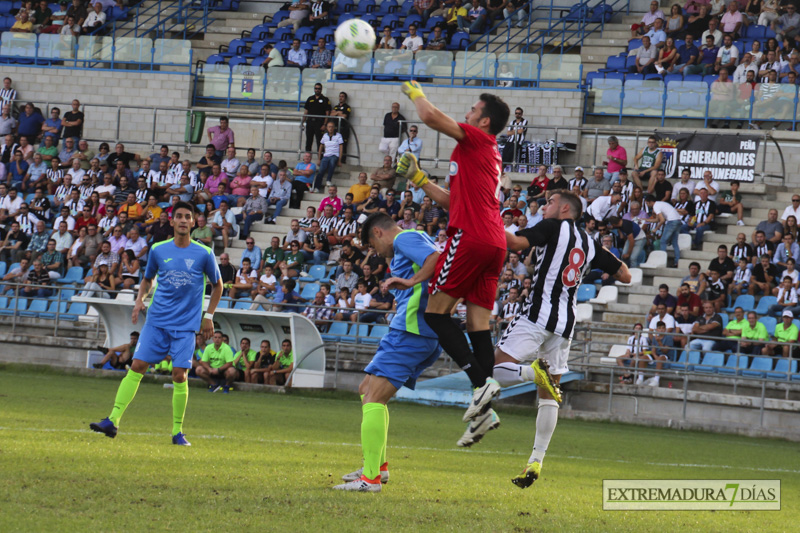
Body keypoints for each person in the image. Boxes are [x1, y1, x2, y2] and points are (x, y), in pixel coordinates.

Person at [491, 191, 630, 486]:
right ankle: (536, 461)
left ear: (565, 208)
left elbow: (514, 243)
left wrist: (484, 219)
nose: (544, 207)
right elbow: (626, 275)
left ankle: (532, 373)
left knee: (492, 370)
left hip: (537, 316)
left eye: (550, 203)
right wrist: (591, 266)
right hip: (565, 323)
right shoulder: (591, 244)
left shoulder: (554, 227)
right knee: (549, 395)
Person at [89, 202, 224, 446]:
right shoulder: (158, 250)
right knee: (137, 365)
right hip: (157, 320)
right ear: (172, 222)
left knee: (179, 375)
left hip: (185, 326)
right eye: (179, 217)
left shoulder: (204, 253)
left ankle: (177, 432)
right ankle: (113, 420)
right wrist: (139, 299)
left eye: (188, 217)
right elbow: (148, 279)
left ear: (193, 223)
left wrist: (209, 316)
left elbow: (218, 285)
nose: (183, 220)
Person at [333, 213, 442, 492]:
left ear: (379, 233)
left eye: (371, 245)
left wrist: (409, 281)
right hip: (410, 329)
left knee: (373, 397)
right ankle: (377, 468)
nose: (375, 253)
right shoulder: (412, 240)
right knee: (366, 387)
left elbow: (436, 259)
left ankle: (370, 480)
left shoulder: (406, 238)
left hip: (412, 331)